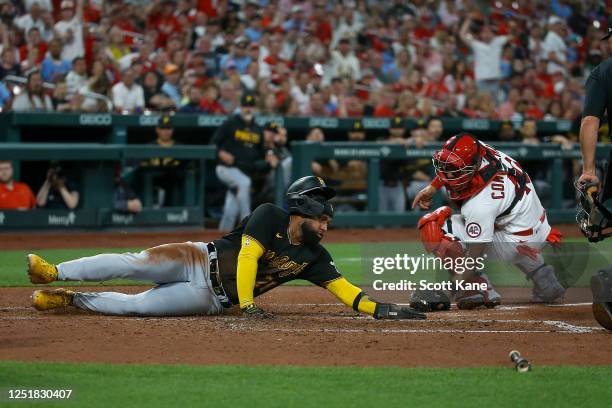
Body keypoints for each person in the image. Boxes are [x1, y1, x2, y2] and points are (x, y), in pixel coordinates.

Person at [27, 176, 426, 321]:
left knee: (139, 307)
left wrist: (382, 309)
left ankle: (71, 299)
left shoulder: (314, 257)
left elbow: (344, 290)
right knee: (136, 263)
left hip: (211, 299)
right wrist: (250, 305)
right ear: (304, 207)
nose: (326, 224)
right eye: (323, 216)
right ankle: (56, 272)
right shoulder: (269, 213)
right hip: (200, 257)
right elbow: (250, 255)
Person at [411, 133, 565, 310]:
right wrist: (432, 187)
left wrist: (450, 289)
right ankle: (545, 280)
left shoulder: (481, 203)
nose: (447, 172)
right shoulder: (482, 151)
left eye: (454, 168)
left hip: (515, 242)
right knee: (505, 221)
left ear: (472, 165)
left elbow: (476, 251)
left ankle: (478, 289)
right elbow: (456, 165)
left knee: (435, 226)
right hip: (538, 228)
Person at [212, 93, 278, 231]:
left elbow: (263, 151)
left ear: (255, 109)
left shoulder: (258, 129)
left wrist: (270, 154)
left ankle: (222, 237)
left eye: (251, 106)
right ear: (240, 107)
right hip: (226, 168)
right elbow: (213, 143)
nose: (248, 109)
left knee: (231, 208)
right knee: (244, 183)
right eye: (245, 106)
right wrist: (220, 153)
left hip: (243, 172)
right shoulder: (230, 123)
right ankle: (248, 227)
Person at [379, 116, 406, 212]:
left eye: (400, 128)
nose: (397, 130)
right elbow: (379, 144)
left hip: (398, 185)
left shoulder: (406, 144)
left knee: (399, 220)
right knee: (379, 223)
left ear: (403, 130)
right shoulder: (381, 140)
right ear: (390, 129)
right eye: (395, 128)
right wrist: (395, 142)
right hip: (382, 185)